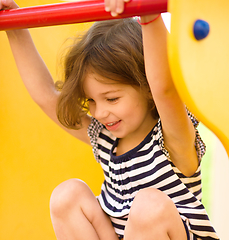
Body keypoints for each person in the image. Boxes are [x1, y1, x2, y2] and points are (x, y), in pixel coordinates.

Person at [1, 0, 219, 239]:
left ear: (146, 88)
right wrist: (14, 26)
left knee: (149, 206)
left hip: (168, 230)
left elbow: (165, 90)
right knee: (68, 196)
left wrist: (147, 13)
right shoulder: (104, 139)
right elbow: (46, 96)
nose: (99, 113)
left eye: (112, 99)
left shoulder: (174, 142)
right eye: (91, 101)